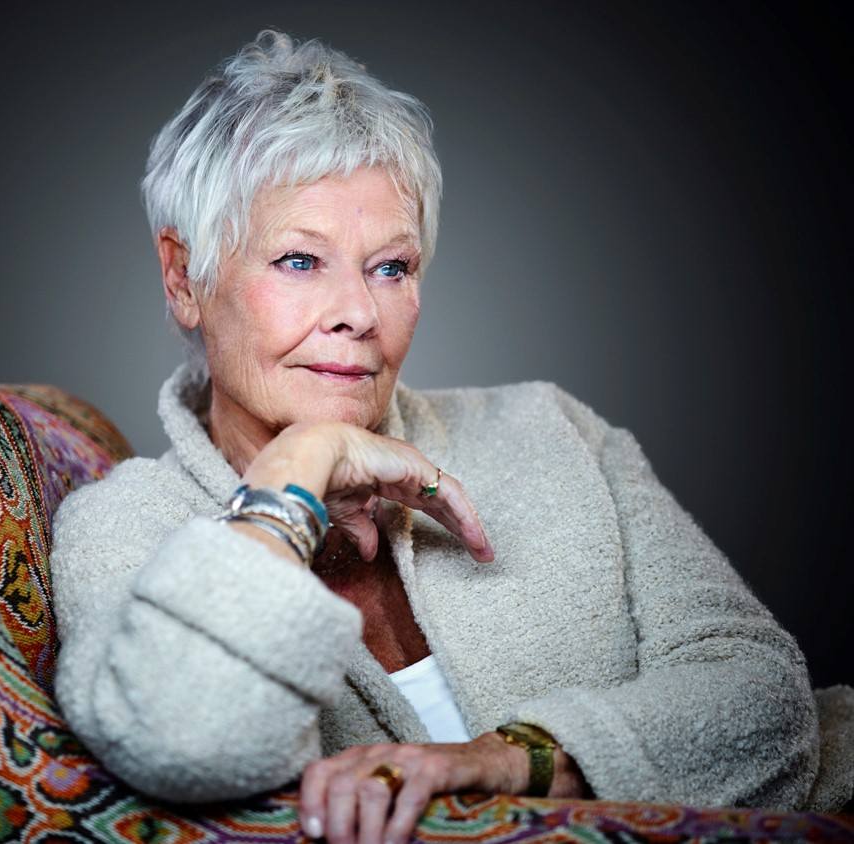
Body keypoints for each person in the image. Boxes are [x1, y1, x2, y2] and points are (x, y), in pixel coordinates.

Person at [49, 28, 851, 844]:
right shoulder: (122, 528)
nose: (359, 313)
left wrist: (502, 761)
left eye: (391, 267)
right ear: (184, 278)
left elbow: (763, 701)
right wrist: (298, 465)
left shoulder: (549, 429)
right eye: (299, 260)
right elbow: (188, 744)